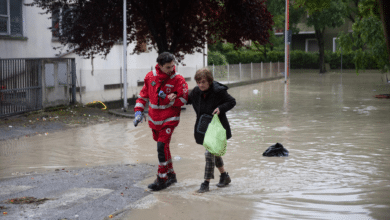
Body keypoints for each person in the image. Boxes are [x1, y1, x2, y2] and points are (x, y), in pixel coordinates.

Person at [133, 52, 188, 191]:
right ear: (160, 66)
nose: (172, 69)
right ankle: (171, 175)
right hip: (154, 119)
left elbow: (184, 100)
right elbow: (143, 96)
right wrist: (138, 112)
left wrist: (173, 99)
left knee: (161, 147)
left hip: (170, 118)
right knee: (164, 147)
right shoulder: (150, 77)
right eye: (168, 67)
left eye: (173, 66)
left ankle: (161, 179)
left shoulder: (178, 80)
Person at [187, 68, 236, 193]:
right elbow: (187, 99)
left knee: (209, 155)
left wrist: (220, 108)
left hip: (217, 128)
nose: (200, 85)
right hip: (203, 128)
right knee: (215, 153)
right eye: (198, 82)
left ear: (209, 81)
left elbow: (232, 101)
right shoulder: (196, 91)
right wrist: (174, 96)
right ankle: (224, 176)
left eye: (203, 82)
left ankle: (206, 183)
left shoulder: (218, 91)